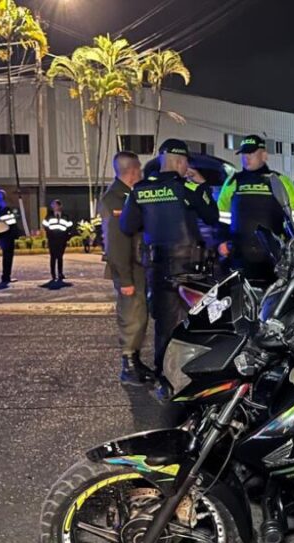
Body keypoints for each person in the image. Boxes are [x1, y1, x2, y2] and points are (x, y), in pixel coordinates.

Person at [120, 139, 217, 389]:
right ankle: (189, 376)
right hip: (191, 267)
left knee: (163, 323)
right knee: (195, 322)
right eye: (186, 163)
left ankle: (164, 377)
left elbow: (127, 226)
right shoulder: (187, 189)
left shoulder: (139, 190)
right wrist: (203, 185)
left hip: (159, 266)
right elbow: (212, 217)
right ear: (182, 162)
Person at [216, 135, 294, 283]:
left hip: (273, 257)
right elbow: (222, 215)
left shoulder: (279, 181)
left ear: (264, 155)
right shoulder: (233, 181)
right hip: (239, 255)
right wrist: (221, 240)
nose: (246, 158)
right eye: (244, 154)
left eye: (251, 153)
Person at [99, 151, 153, 386]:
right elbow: (116, 242)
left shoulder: (129, 195)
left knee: (139, 316)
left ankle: (136, 361)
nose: (141, 173)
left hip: (137, 267)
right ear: (132, 171)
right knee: (131, 317)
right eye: (139, 169)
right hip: (128, 270)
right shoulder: (115, 199)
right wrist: (125, 280)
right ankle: (128, 366)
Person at [0, 189, 20, 284]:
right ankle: (6, 277)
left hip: (1, 235)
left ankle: (6, 276)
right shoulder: (2, 208)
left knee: (7, 256)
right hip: (6, 235)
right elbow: (10, 221)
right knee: (8, 256)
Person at [42, 199, 74, 282]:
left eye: (55, 205)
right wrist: (49, 235)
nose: (54, 207)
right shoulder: (49, 216)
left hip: (62, 239)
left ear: (60, 206)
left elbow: (70, 227)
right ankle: (53, 274)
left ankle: (60, 273)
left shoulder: (66, 216)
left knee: (60, 257)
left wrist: (67, 236)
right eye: (53, 205)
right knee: (53, 257)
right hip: (52, 239)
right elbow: (45, 226)